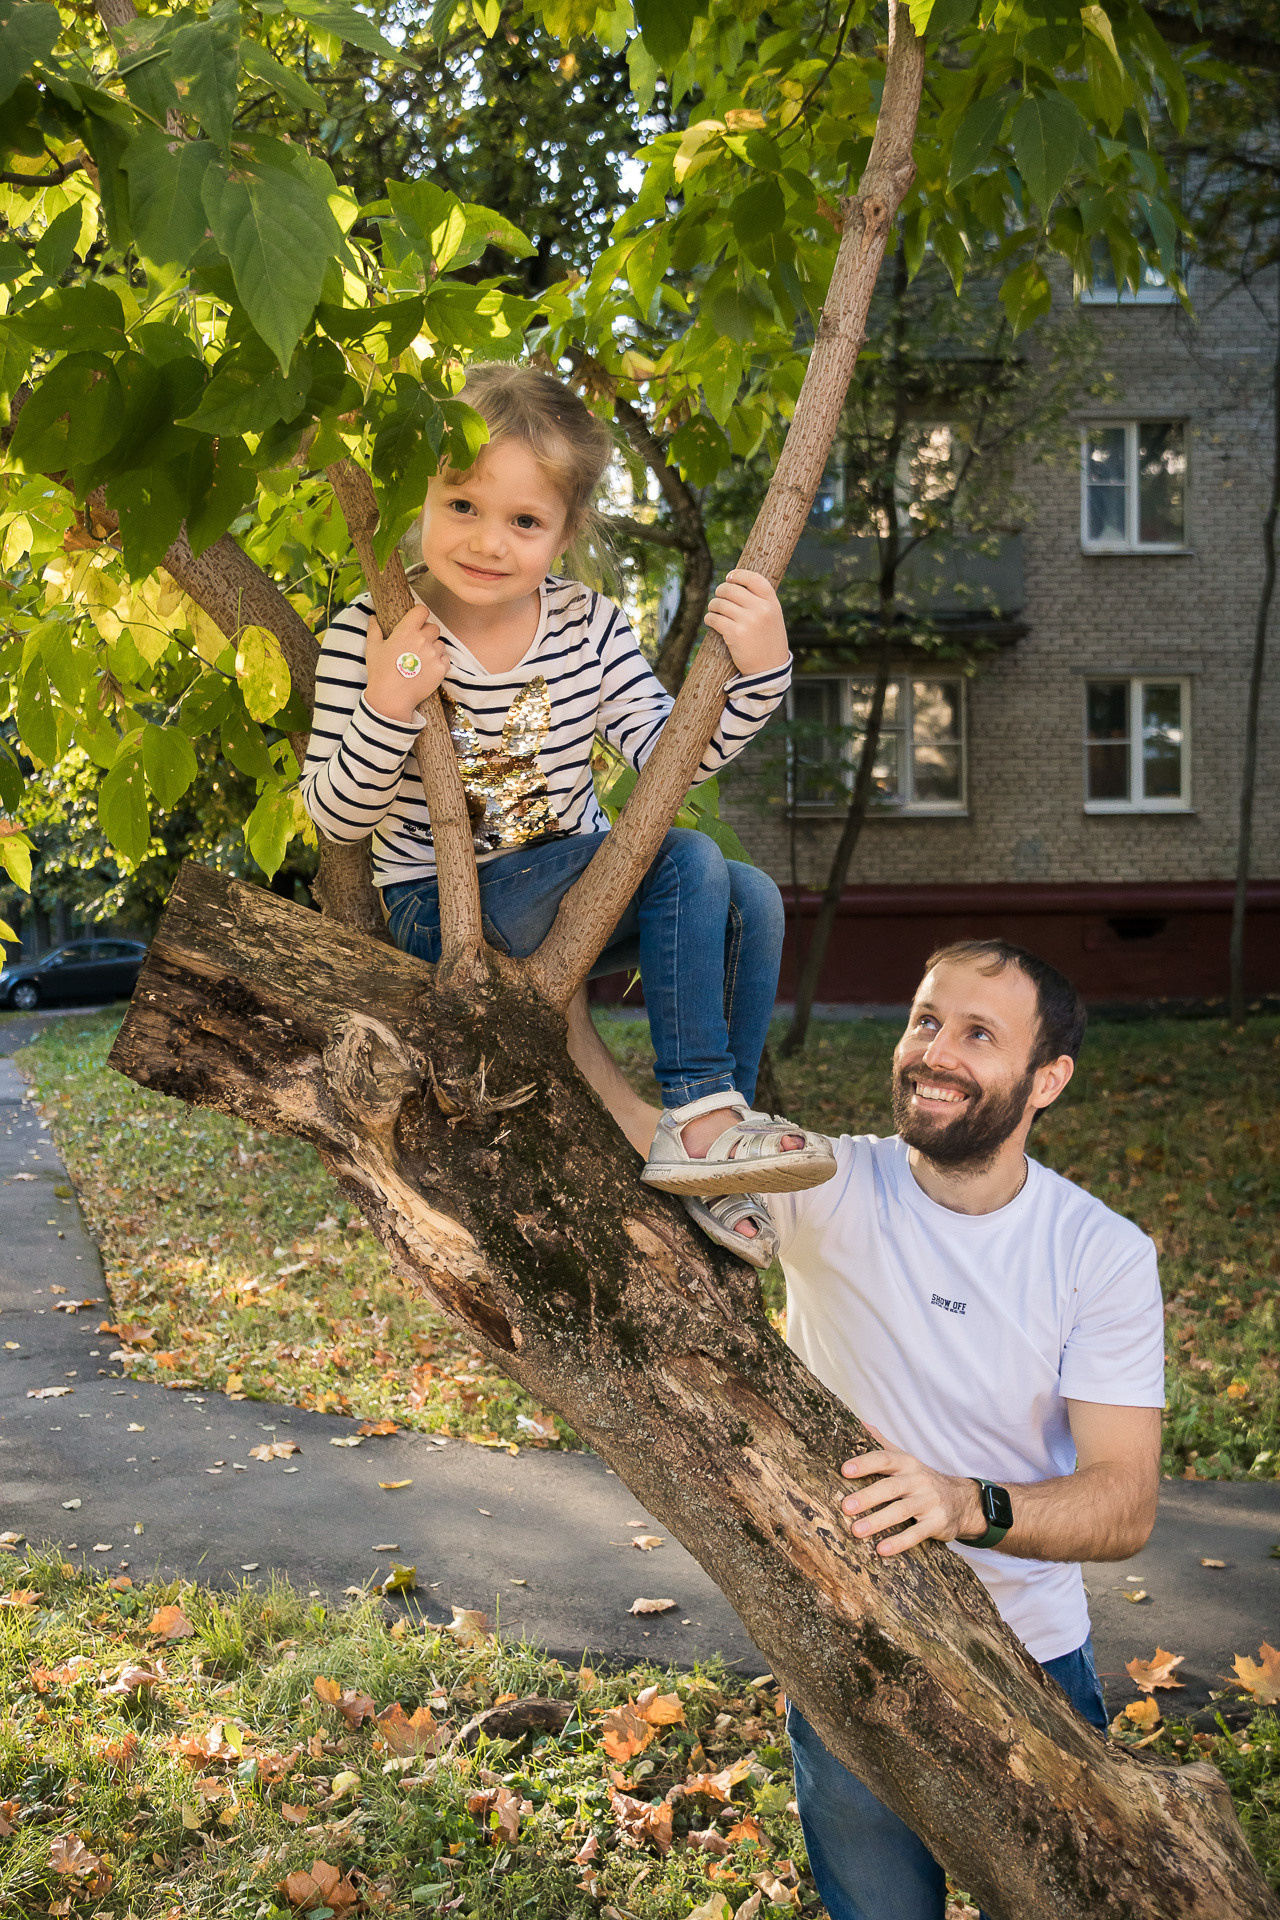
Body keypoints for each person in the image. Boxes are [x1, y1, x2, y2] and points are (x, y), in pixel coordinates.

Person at [301, 362, 835, 1243]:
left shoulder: (589, 624)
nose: (486, 541)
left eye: (524, 521)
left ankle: (712, 1142)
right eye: (462, 505)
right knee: (693, 859)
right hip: (444, 907)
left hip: (566, 884)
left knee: (754, 900)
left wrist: (764, 673)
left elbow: (672, 763)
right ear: (421, 497)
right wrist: (391, 701)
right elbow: (336, 818)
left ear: (564, 530)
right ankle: (700, 1118)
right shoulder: (374, 629)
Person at [760, 939, 1166, 1920]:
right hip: (850, 1657)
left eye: (977, 1034)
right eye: (924, 1020)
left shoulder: (1098, 1254)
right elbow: (636, 1137)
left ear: (1046, 1080)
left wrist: (958, 1503)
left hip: (1030, 1663)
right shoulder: (824, 1181)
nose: (933, 1051)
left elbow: (1122, 1503)